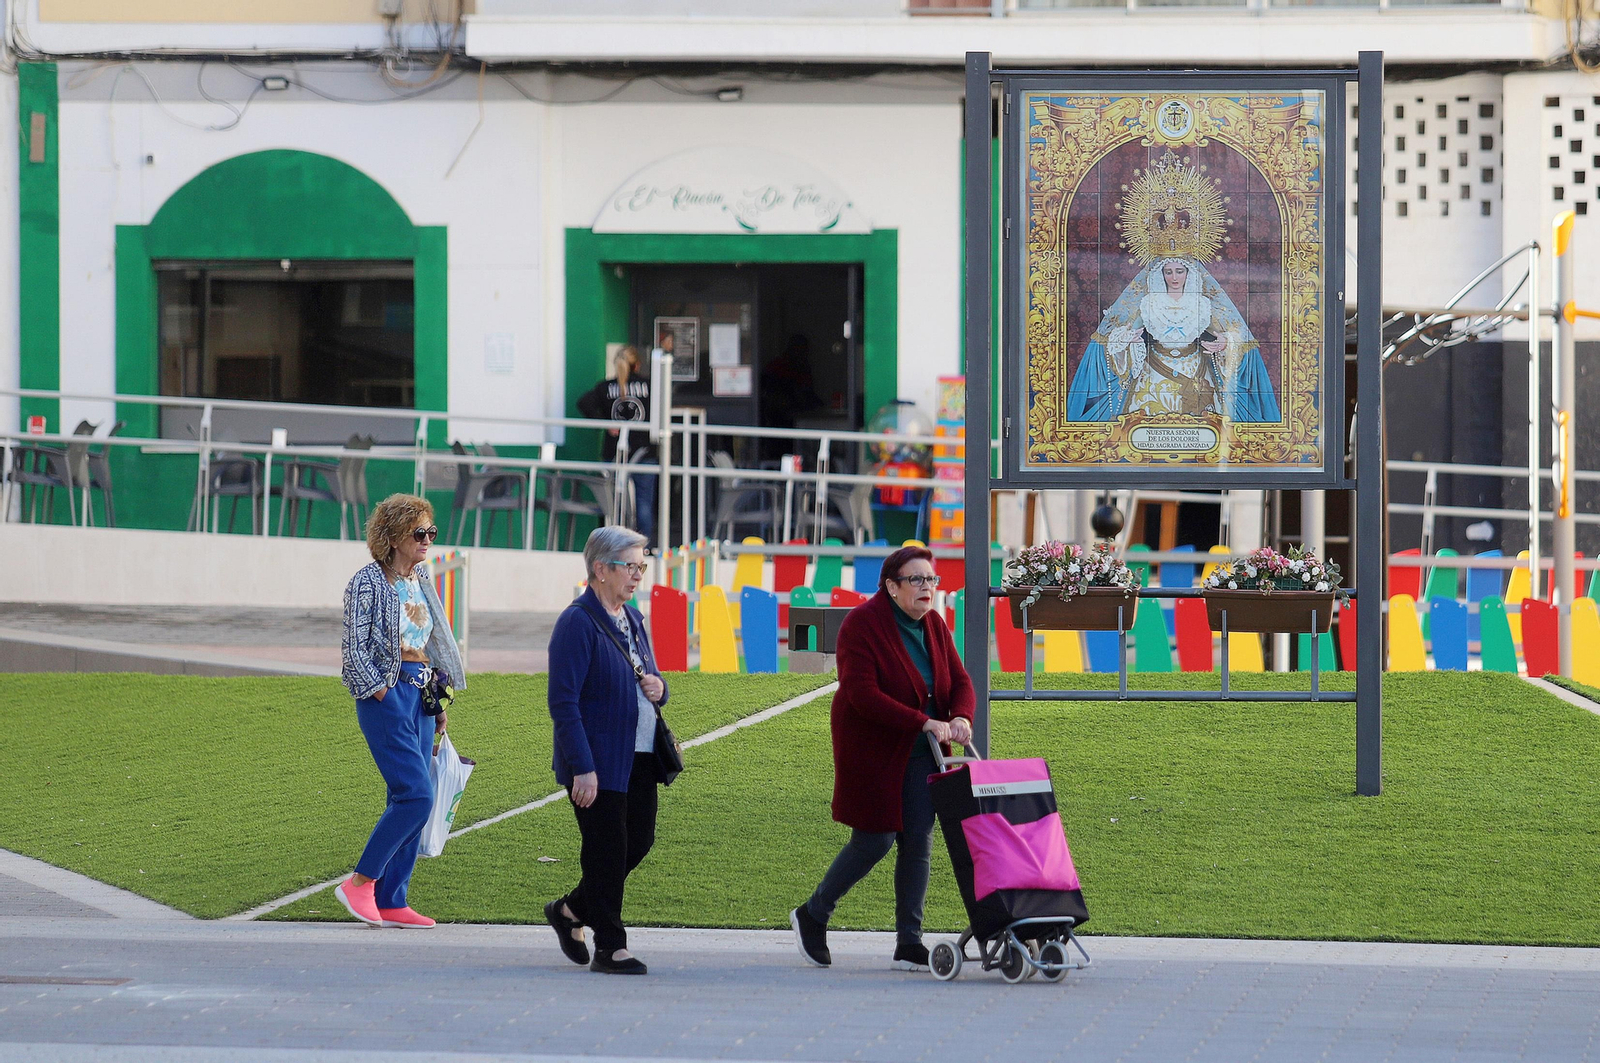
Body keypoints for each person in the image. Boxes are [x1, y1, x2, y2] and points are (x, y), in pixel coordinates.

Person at [791, 545, 975, 971]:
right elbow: (861, 694)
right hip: (872, 750)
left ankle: (909, 943)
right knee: (875, 838)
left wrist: (960, 715)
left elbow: (960, 680)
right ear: (892, 587)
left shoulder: (934, 625)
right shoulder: (862, 625)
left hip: (923, 753)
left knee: (918, 842)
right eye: (917, 580)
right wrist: (923, 721)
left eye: (932, 579)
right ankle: (814, 913)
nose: (927, 588)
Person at [335, 493, 467, 929]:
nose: (428, 539)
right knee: (416, 795)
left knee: (406, 795)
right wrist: (382, 695)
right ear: (392, 537)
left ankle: (392, 899)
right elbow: (353, 651)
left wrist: (438, 703)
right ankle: (361, 881)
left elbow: (429, 643)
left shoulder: (421, 578)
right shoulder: (367, 582)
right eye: (419, 532)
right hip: (387, 696)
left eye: (431, 531)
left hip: (421, 694)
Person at [544, 526, 669, 975]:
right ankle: (611, 946)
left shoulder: (632, 618)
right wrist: (582, 768)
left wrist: (660, 686)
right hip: (597, 761)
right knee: (606, 850)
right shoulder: (576, 622)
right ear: (601, 569)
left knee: (639, 841)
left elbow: (649, 676)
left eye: (642, 566)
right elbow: (563, 701)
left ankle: (569, 911)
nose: (638, 575)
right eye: (630, 566)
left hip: (639, 756)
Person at [575, 345, 657, 541]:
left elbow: (583, 403)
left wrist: (605, 423)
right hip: (644, 452)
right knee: (643, 503)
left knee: (613, 504)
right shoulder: (649, 385)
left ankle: (614, 546)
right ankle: (643, 548)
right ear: (637, 365)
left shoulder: (605, 387)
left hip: (614, 453)